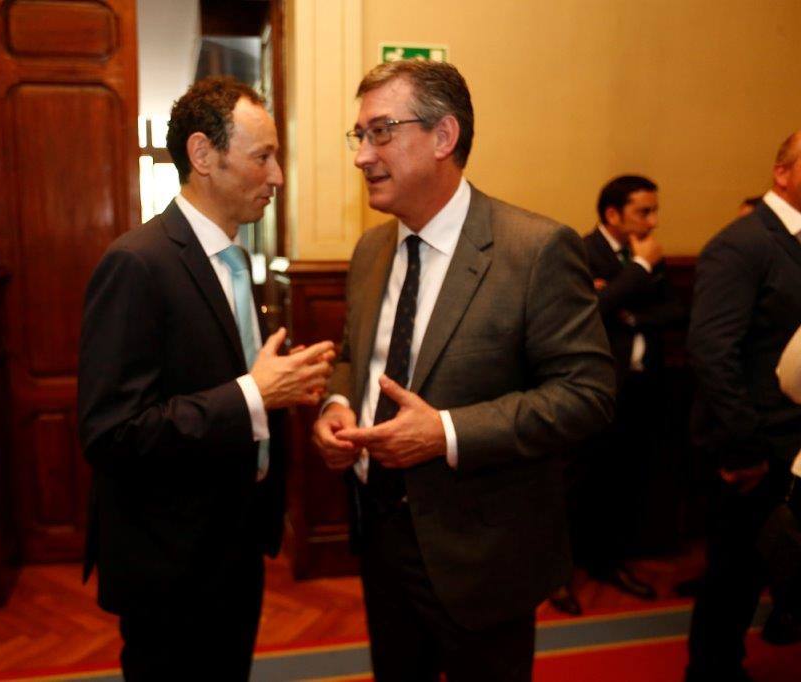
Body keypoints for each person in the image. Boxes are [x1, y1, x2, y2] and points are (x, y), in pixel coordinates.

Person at [311, 59, 616, 681]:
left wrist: (446, 433)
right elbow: (354, 357)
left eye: (380, 132)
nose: (362, 156)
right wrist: (337, 407)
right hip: (381, 538)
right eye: (359, 135)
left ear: (444, 137)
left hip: (483, 553)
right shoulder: (372, 249)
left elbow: (587, 395)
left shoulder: (534, 250)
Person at [78, 76, 334, 681]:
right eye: (262, 157)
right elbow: (112, 432)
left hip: (235, 542)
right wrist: (254, 394)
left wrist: (285, 386)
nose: (277, 177)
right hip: (170, 560)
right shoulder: (137, 264)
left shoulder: (236, 258)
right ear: (202, 156)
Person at [685, 130, 801, 681]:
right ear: (782, 173)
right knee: (733, 579)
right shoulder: (744, 244)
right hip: (757, 448)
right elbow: (712, 354)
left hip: (794, 442)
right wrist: (748, 447)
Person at [552, 176, 686, 614]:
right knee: (576, 486)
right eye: (643, 212)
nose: (653, 221)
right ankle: (558, 578)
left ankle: (608, 562)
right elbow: (588, 310)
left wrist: (627, 309)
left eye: (653, 210)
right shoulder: (580, 251)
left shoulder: (647, 252)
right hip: (592, 392)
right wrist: (638, 273)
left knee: (621, 483)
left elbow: (675, 310)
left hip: (643, 387)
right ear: (612, 214)